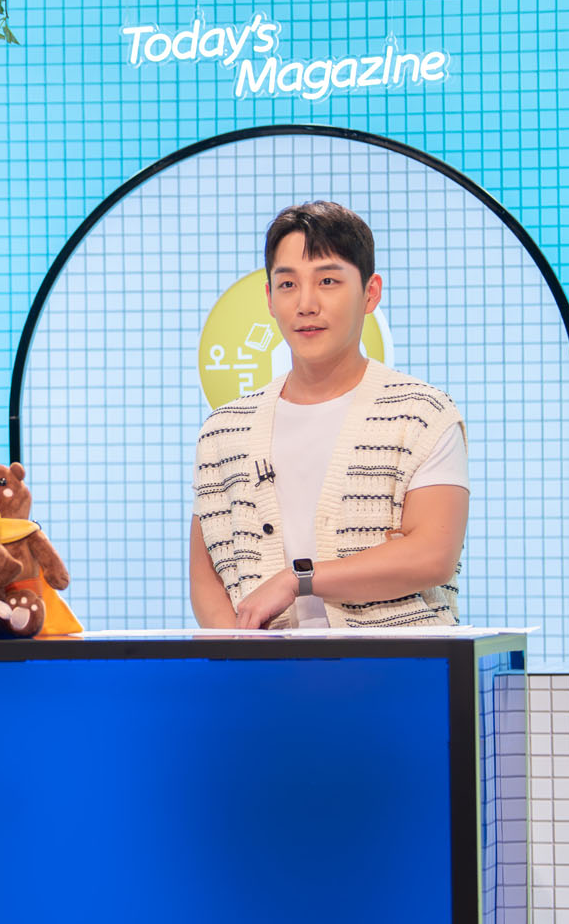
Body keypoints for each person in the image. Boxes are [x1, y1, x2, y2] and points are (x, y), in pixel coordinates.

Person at [188, 201, 469, 629]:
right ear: (269, 298)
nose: (306, 304)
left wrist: (299, 580)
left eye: (328, 281)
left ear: (370, 293)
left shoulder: (422, 414)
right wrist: (240, 655)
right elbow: (208, 576)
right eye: (287, 284)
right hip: (262, 669)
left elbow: (432, 555)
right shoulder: (224, 430)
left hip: (398, 664)